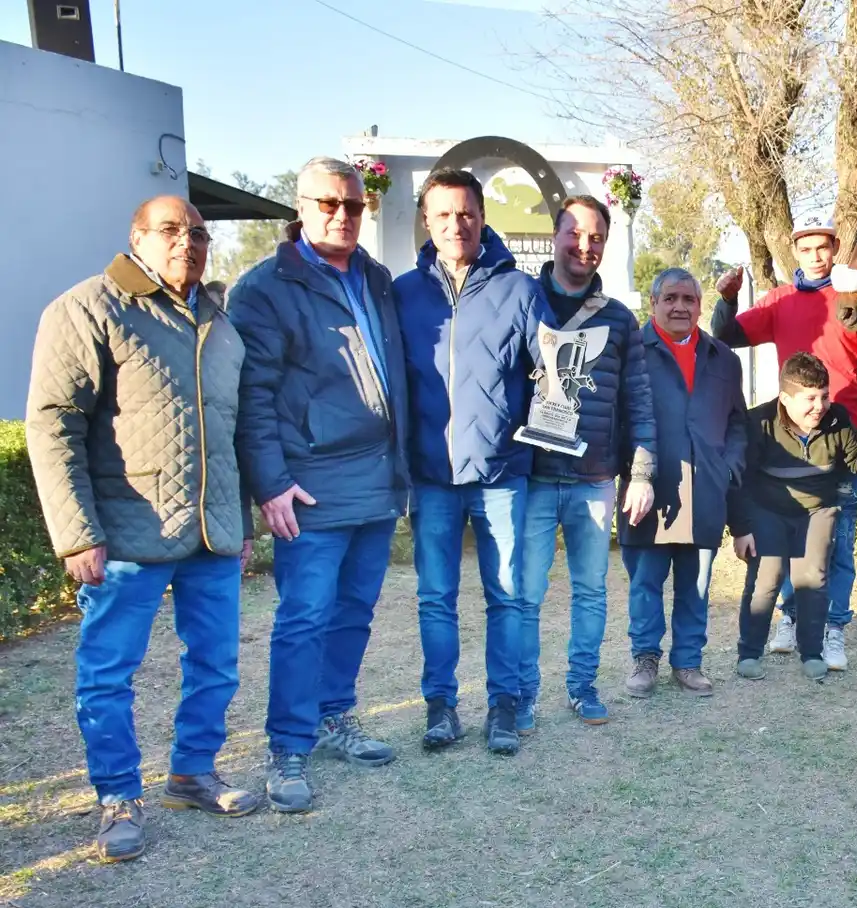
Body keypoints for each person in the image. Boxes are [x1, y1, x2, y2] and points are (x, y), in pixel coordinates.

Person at [26, 196, 258, 862]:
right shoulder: (88, 308)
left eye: (197, 233)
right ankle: (117, 799)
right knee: (108, 673)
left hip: (209, 538)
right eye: (169, 231)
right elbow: (53, 425)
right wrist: (76, 533)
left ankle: (192, 772)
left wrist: (237, 523)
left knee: (215, 664)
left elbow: (229, 434)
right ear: (136, 238)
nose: (186, 242)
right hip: (126, 535)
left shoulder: (219, 321)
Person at [231, 156, 410, 811]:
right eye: (328, 204)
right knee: (303, 618)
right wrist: (270, 483)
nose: (342, 215)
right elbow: (252, 396)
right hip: (308, 488)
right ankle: (287, 747)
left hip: (376, 481)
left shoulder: (377, 278)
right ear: (300, 207)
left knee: (355, 614)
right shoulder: (264, 288)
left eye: (354, 206)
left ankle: (336, 717)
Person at [392, 168, 555, 755]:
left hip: (501, 475)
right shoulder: (404, 294)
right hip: (433, 477)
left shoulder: (519, 290)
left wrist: (530, 435)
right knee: (436, 597)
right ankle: (441, 707)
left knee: (506, 595)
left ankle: (503, 707)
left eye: (466, 213)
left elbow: (555, 376)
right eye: (443, 215)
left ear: (482, 218)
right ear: (427, 222)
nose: (456, 225)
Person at [712, 215, 857, 671]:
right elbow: (727, 336)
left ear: (835, 249)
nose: (815, 256)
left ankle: (834, 629)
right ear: (797, 254)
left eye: (823, 247)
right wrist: (726, 301)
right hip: (790, 437)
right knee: (787, 542)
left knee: (838, 545)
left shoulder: (854, 300)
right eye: (806, 249)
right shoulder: (780, 300)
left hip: (843, 438)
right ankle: (791, 616)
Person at [518, 195, 656, 728]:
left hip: (594, 477)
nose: (585, 245)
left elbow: (639, 401)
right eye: (575, 233)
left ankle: (582, 686)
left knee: (592, 590)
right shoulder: (521, 301)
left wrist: (640, 473)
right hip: (529, 475)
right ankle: (524, 694)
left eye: (596, 236)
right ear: (555, 236)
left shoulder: (620, 320)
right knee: (526, 594)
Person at [730, 353, 857, 682]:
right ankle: (749, 652)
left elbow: (855, 458)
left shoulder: (837, 419)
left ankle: (811, 652)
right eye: (809, 398)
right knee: (766, 579)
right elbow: (740, 480)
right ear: (785, 398)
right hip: (768, 510)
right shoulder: (759, 423)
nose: (819, 406)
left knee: (813, 581)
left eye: (824, 396)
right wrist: (741, 527)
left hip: (818, 510)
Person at [620, 268, 748, 698]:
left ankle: (688, 662)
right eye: (670, 298)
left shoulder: (724, 360)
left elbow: (737, 424)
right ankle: (645, 660)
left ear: (699, 305)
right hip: (651, 490)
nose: (679, 307)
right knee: (646, 584)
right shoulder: (631, 352)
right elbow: (618, 422)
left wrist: (727, 465)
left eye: (688, 300)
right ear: (654, 304)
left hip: (706, 490)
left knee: (697, 584)